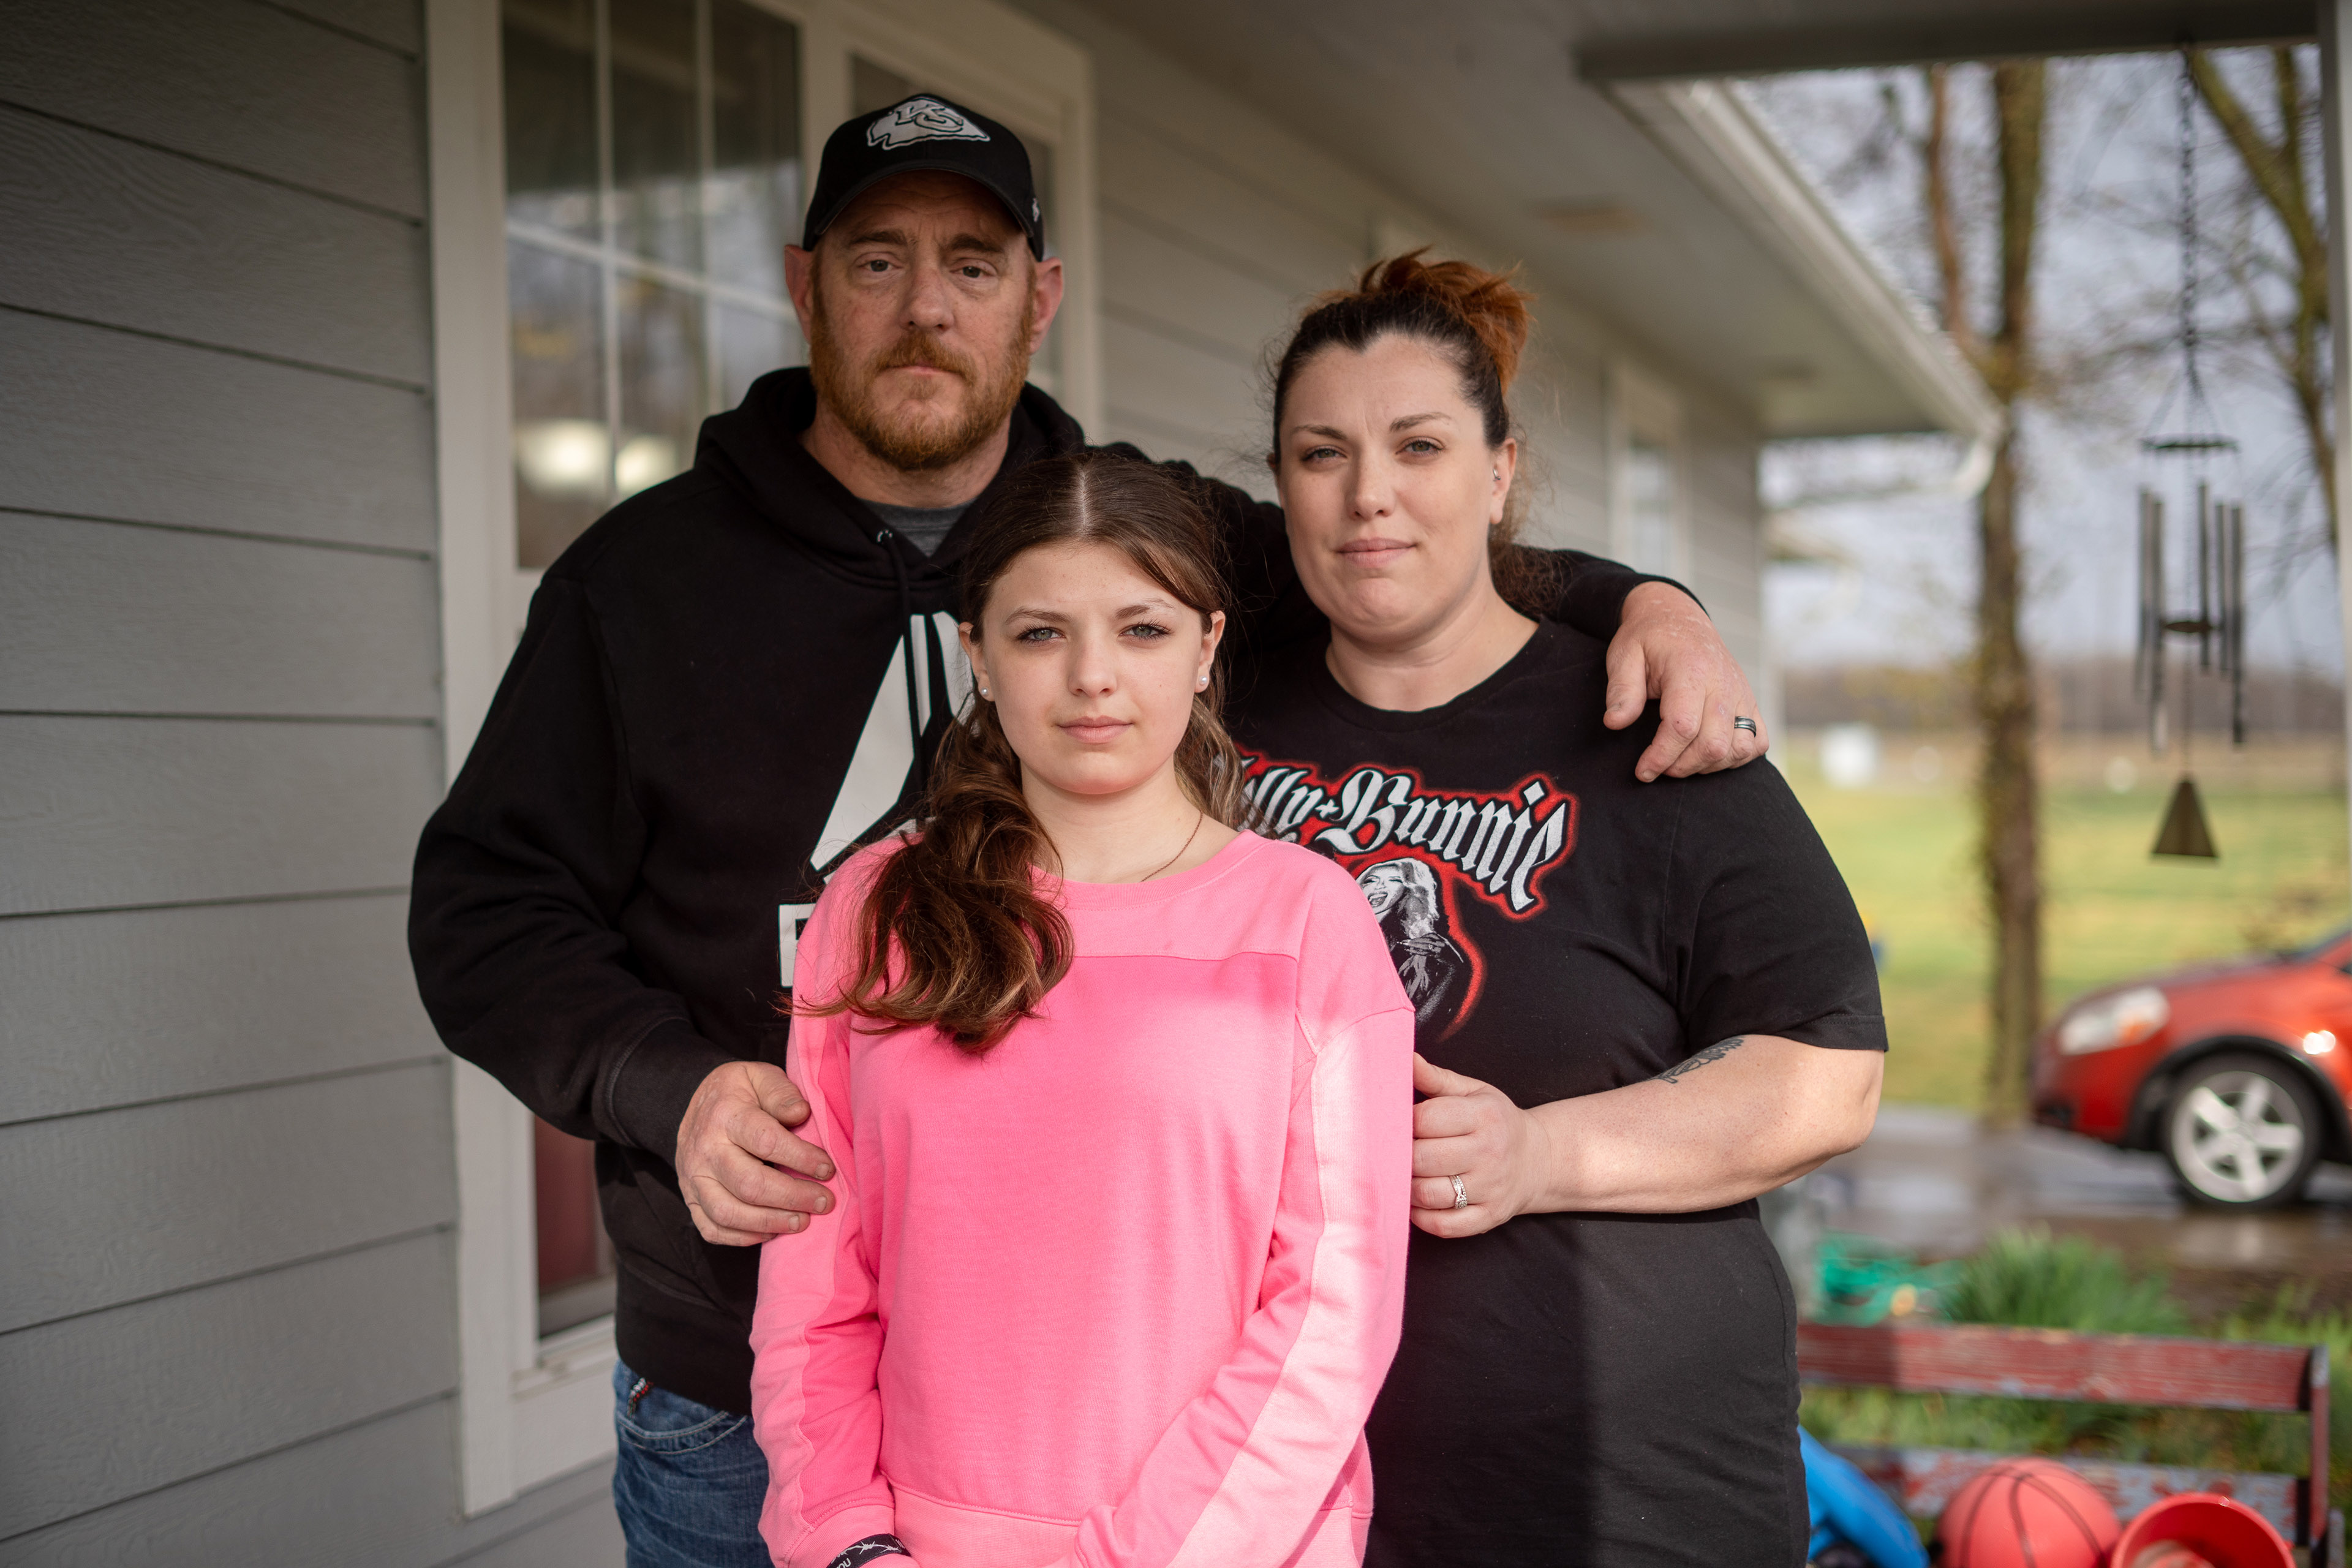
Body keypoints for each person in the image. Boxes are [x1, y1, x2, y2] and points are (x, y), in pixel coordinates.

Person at [407, 92, 1765, 1567]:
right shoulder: (639, 581)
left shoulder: (1150, 526)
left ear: (1039, 299)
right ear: (805, 284)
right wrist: (661, 1084)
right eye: (877, 261)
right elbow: (485, 906)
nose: (926, 306)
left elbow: (1396, 542)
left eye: (975, 265)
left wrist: (1645, 600)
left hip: (1134, 1434)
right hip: (748, 1381)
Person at [1228, 254, 1887, 1566]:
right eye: (1321, 453)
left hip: (1622, 1493)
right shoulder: (1213, 707)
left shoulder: (1646, 714)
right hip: (1286, 1486)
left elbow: (1826, 1073)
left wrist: (1539, 1152)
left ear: (1499, 471)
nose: (1371, 495)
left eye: (1419, 445)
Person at [750, 452, 1414, 1568]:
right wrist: (849, 1546)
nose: (1092, 677)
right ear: (979, 655)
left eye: (1142, 630)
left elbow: (1330, 1318)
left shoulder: (1308, 923)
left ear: (1207, 649)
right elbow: (816, 1285)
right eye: (1040, 632)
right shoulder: (879, 905)